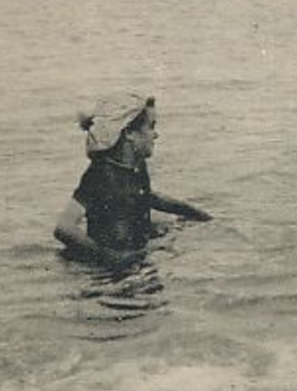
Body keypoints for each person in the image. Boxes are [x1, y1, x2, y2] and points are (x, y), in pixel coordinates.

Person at [54, 94, 212, 265]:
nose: (156, 135)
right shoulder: (100, 174)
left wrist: (197, 214)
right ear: (129, 133)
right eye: (151, 127)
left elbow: (148, 197)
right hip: (108, 270)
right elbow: (64, 227)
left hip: (134, 255)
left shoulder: (136, 167)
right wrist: (111, 258)